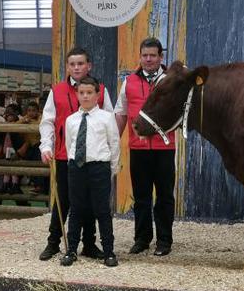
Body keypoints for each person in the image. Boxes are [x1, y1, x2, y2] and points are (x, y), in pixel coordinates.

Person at [38, 46, 114, 261]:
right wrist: (46, 146)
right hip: (65, 156)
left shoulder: (100, 89)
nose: (76, 67)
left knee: (90, 202)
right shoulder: (57, 90)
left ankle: (89, 244)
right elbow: (47, 122)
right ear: (68, 67)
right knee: (62, 200)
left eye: (80, 63)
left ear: (88, 65)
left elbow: (108, 121)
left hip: (92, 157)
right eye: (72, 64)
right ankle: (54, 242)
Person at [114, 37, 175, 256]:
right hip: (138, 148)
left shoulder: (171, 80)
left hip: (164, 148)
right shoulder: (129, 81)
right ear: (140, 57)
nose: (148, 59)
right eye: (145, 55)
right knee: (141, 196)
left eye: (153, 55)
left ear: (161, 57)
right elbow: (120, 112)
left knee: (165, 196)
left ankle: (164, 241)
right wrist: (113, 142)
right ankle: (142, 239)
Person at [60, 77, 120, 267]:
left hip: (99, 167)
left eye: (89, 93)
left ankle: (109, 251)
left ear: (97, 95)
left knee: (102, 209)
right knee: (76, 209)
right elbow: (70, 143)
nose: (85, 96)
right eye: (82, 93)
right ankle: (71, 250)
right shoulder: (71, 120)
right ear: (77, 94)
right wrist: (74, 162)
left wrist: (111, 169)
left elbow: (114, 144)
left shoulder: (107, 117)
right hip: (76, 167)